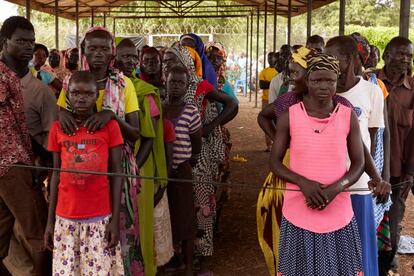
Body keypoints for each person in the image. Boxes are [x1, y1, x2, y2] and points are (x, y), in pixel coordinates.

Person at [256, 47, 354, 275]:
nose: (291, 78)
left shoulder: (343, 109)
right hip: (293, 184)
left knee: (332, 260)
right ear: (310, 80)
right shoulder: (288, 104)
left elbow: (358, 157)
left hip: (335, 200)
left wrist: (372, 178)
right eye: (316, 80)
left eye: (295, 72)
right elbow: (265, 121)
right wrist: (288, 142)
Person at [56, 26, 142, 275]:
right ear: (83, 50)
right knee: (83, 230)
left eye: (104, 48)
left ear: (112, 51)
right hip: (81, 168)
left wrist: (110, 116)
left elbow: (135, 133)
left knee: (118, 230)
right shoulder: (73, 81)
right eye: (92, 47)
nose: (98, 53)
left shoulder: (124, 84)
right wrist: (62, 114)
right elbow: (62, 114)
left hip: (117, 166)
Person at [163, 44, 238, 275]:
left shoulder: (200, 85)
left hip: (198, 157)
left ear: (186, 62)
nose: (166, 64)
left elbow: (232, 104)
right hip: (171, 158)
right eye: (165, 61)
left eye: (170, 59)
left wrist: (210, 127)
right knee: (178, 208)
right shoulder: (164, 88)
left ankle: (203, 262)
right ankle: (179, 258)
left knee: (201, 207)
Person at [44, 71, 124, 275]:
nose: (81, 98)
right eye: (75, 93)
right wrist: (50, 221)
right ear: (67, 95)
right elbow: (55, 174)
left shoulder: (110, 127)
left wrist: (114, 220)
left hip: (99, 218)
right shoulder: (57, 128)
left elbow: (117, 173)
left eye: (87, 93)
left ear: (97, 95)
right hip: (65, 218)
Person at [325, 35, 390, 276]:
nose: (329, 65)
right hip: (327, 182)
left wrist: (375, 176)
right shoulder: (324, 92)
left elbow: (372, 141)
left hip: (359, 185)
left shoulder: (371, 91)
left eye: (333, 59)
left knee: (361, 251)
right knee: (332, 252)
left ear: (349, 59)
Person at [116, 39, 173, 273]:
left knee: (139, 224)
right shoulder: (103, 87)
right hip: (111, 165)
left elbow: (150, 138)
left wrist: (133, 169)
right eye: (124, 56)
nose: (129, 62)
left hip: (141, 164)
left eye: (133, 57)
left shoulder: (145, 92)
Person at [0, 16, 50, 276]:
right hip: (10, 165)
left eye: (31, 41)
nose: (29, 47)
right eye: (21, 41)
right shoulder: (1, 76)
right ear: (4, 42)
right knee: (41, 233)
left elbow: (18, 127)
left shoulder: (13, 76)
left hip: (17, 161)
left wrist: (43, 156)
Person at [376, 36, 414, 275]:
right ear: (386, 55)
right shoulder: (368, 82)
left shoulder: (413, 89)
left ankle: (388, 263)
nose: (405, 59)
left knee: (394, 217)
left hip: (399, 170)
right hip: (368, 168)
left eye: (409, 56)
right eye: (400, 54)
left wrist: (410, 171)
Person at [163, 65, 202, 276]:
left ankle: (187, 266)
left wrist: (188, 162)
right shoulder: (159, 108)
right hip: (162, 172)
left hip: (182, 170)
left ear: (187, 86)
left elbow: (197, 143)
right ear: (165, 81)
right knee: (166, 217)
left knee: (185, 220)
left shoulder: (190, 111)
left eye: (180, 82)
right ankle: (171, 261)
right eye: (172, 81)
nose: (176, 86)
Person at [259, 52, 278, 151]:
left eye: (272, 58)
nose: (270, 60)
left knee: (277, 122)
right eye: (268, 58)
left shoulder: (278, 70)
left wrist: (269, 83)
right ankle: (268, 145)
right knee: (267, 120)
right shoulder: (264, 71)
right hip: (266, 99)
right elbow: (262, 85)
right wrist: (274, 82)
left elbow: (266, 84)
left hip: (276, 99)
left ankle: (277, 143)